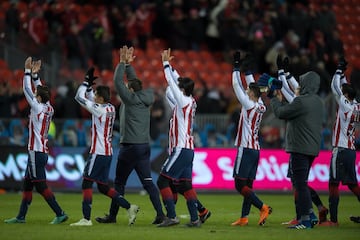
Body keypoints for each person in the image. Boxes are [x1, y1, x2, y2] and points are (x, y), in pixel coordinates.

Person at [95, 46, 165, 225]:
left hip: (129, 147)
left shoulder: (131, 100)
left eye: (128, 88)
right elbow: (134, 81)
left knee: (119, 183)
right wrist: (128, 65)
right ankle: (160, 214)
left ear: (130, 91)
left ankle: (112, 216)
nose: (125, 89)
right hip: (143, 147)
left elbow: (118, 83)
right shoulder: (143, 97)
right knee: (149, 182)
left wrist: (121, 63)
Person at [70, 67, 139, 226]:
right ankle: (130, 207)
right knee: (102, 187)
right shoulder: (110, 108)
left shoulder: (99, 110)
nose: (94, 97)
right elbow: (90, 101)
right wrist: (89, 89)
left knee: (86, 182)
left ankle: (86, 219)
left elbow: (79, 98)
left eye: (96, 95)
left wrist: (85, 83)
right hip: (107, 153)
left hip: (98, 152)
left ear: (100, 98)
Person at [4, 57, 68, 224]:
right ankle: (21, 216)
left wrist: (26, 72)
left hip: (35, 151)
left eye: (36, 94)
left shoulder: (37, 107)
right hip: (42, 151)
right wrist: (35, 75)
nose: (34, 94)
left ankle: (60, 213)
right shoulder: (49, 108)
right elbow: (40, 90)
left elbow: (26, 89)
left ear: (38, 97)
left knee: (40, 185)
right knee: (27, 184)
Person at [269, 65, 324, 229]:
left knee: (300, 184)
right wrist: (283, 73)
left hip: (300, 147)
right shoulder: (317, 102)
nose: (299, 86)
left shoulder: (301, 101)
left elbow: (281, 113)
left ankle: (305, 220)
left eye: (301, 83)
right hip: (312, 148)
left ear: (306, 85)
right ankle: (311, 215)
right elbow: (293, 96)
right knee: (302, 183)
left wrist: (274, 99)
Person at [156, 48, 203, 227]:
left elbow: (171, 82)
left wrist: (166, 63)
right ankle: (194, 219)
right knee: (185, 186)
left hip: (181, 148)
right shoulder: (191, 101)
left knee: (162, 180)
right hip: (188, 149)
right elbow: (178, 81)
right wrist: (173, 68)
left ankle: (172, 217)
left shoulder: (182, 101)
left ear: (182, 89)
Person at [229, 51, 272, 227]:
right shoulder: (260, 105)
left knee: (239, 186)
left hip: (245, 148)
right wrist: (248, 71)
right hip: (255, 149)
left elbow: (235, 85)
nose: (246, 91)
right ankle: (244, 217)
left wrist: (236, 66)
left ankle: (263, 207)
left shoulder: (248, 104)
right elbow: (252, 86)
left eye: (248, 91)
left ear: (251, 95)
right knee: (248, 185)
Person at [319, 57, 360, 227]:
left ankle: (333, 221)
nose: (341, 95)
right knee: (352, 184)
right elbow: (344, 88)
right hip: (351, 150)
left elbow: (334, 87)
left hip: (341, 149)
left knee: (333, 183)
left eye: (344, 93)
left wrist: (337, 71)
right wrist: (343, 73)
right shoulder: (356, 105)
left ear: (346, 96)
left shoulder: (345, 105)